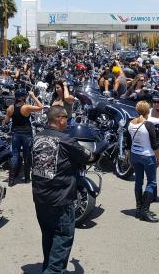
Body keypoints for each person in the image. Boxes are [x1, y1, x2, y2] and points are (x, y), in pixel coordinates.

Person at [31, 106, 105, 274]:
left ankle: (48, 267)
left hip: (40, 197)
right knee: (63, 237)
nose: (68, 120)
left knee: (49, 236)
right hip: (61, 199)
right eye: (66, 117)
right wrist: (101, 146)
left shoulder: (36, 138)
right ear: (59, 119)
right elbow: (89, 157)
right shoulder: (66, 140)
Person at [4, 89, 44, 186]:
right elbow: (41, 107)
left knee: (15, 155)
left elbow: (6, 121)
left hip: (15, 133)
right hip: (26, 134)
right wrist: (33, 96)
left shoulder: (10, 108)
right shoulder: (26, 107)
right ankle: (26, 178)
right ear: (22, 97)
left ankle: (11, 180)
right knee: (27, 155)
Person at [128, 101, 159, 222]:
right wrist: (158, 158)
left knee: (138, 181)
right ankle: (145, 211)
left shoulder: (130, 123)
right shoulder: (148, 125)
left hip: (135, 155)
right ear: (148, 111)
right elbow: (155, 145)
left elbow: (129, 141)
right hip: (147, 156)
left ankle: (138, 208)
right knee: (151, 182)